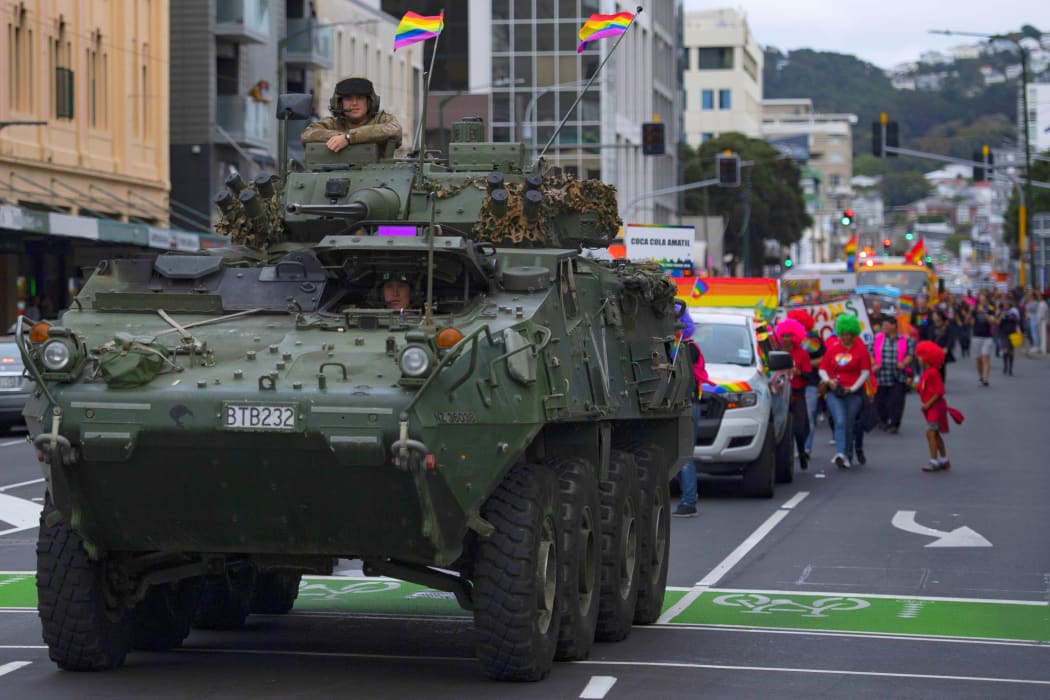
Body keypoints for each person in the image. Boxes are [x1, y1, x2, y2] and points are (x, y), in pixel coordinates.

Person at [819, 314, 871, 470]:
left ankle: (847, 455)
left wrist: (853, 388)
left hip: (854, 394)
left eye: (848, 334)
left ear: (853, 333)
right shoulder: (833, 348)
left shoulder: (861, 350)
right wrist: (829, 381)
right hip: (835, 392)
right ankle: (841, 453)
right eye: (843, 334)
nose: (845, 337)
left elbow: (865, 372)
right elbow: (822, 368)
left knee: (849, 424)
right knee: (840, 422)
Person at [301, 76, 403, 152]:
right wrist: (343, 137)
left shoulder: (381, 120)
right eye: (348, 98)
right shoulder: (332, 123)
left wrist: (349, 137)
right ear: (339, 103)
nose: (354, 103)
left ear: (369, 102)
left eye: (360, 98)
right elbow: (307, 134)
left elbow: (395, 130)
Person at [674, 308, 707, 518]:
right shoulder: (681, 347)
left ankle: (689, 501)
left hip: (687, 405)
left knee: (684, 455)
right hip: (685, 405)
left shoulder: (686, 348)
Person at [776, 318, 813, 472]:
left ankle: (802, 451)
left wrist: (799, 372)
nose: (785, 339)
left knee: (800, 429)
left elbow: (809, 375)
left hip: (797, 395)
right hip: (780, 395)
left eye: (789, 335)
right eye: (783, 335)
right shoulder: (775, 353)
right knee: (782, 430)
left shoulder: (802, 354)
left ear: (795, 337)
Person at [914, 341, 957, 472]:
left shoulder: (933, 372)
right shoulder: (927, 372)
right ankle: (944, 460)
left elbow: (939, 392)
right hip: (930, 408)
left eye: (921, 356)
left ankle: (934, 461)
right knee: (936, 434)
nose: (918, 358)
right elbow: (923, 388)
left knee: (931, 433)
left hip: (935, 408)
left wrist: (927, 404)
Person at [788, 308, 824, 458]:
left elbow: (824, 359)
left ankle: (806, 448)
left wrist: (804, 364)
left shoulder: (813, 341)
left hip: (809, 383)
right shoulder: (784, 340)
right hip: (788, 384)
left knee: (808, 415)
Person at [873, 316, 914, 434]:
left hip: (898, 374)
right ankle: (883, 420)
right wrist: (873, 364)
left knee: (896, 401)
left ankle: (895, 423)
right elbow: (871, 353)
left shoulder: (906, 339)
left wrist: (904, 363)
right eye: (882, 326)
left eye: (886, 325)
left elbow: (910, 354)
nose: (883, 328)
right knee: (880, 400)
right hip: (881, 374)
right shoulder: (877, 338)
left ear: (894, 326)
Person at [970, 291, 998, 386]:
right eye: (981, 300)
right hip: (977, 335)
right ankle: (981, 377)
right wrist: (971, 311)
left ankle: (986, 378)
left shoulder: (991, 307)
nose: (983, 302)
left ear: (987, 300)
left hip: (987, 336)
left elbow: (993, 321)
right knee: (978, 359)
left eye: (984, 300)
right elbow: (969, 321)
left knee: (985, 356)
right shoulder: (975, 308)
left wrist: (985, 313)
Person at [997, 306, 1020, 376]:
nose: (1006, 311)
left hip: (1012, 334)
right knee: (1005, 350)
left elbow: (1016, 323)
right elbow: (998, 323)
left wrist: (1018, 330)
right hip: (1004, 334)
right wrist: (1001, 316)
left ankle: (1010, 368)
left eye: (1007, 310)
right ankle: (1005, 366)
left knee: (1011, 352)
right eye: (1004, 310)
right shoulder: (1000, 315)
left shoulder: (1013, 315)